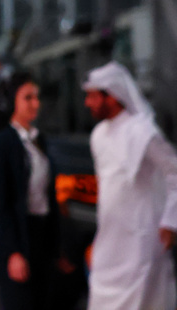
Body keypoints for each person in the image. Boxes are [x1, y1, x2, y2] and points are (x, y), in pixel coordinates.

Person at [81, 61, 177, 310]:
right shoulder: (98, 135)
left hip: (141, 244)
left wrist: (171, 220)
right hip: (109, 243)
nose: (87, 103)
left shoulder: (142, 131)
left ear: (111, 97)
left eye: (92, 96)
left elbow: (174, 171)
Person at [0, 70, 63, 310]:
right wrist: (13, 252)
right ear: (12, 103)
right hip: (19, 236)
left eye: (37, 97)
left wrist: (58, 243)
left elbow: (48, 194)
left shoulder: (39, 139)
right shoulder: (2, 143)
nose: (35, 104)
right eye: (27, 97)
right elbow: (2, 202)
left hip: (41, 235)